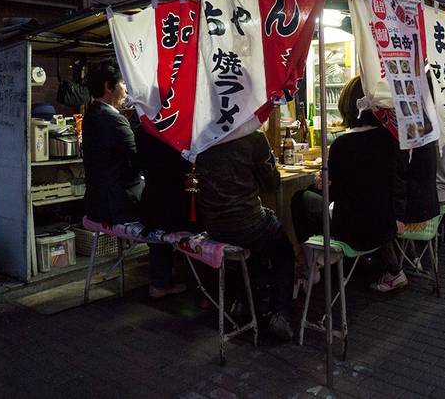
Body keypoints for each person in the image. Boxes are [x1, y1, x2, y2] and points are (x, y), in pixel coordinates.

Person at [291, 76, 408, 293]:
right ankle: (315, 262)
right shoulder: (388, 138)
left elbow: (336, 193)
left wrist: (322, 183)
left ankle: (310, 265)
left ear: (347, 105)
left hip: (352, 231)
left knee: (301, 198)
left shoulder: (342, 145)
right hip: (384, 227)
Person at [195, 130, 295, 340]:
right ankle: (281, 314)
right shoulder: (253, 137)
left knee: (255, 247)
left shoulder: (202, 136)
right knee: (283, 249)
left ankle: (245, 300)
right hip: (248, 224)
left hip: (213, 226)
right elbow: (272, 184)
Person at [133, 122, 195, 299]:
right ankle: (195, 283)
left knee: (158, 228)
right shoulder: (177, 129)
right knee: (194, 223)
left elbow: (138, 163)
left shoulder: (143, 128)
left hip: (150, 204)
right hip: (173, 205)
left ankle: (161, 279)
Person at [82, 60, 143, 225]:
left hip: (96, 205)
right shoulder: (113, 119)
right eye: (123, 83)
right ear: (109, 87)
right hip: (119, 206)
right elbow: (138, 158)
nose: (126, 89)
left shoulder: (91, 114)